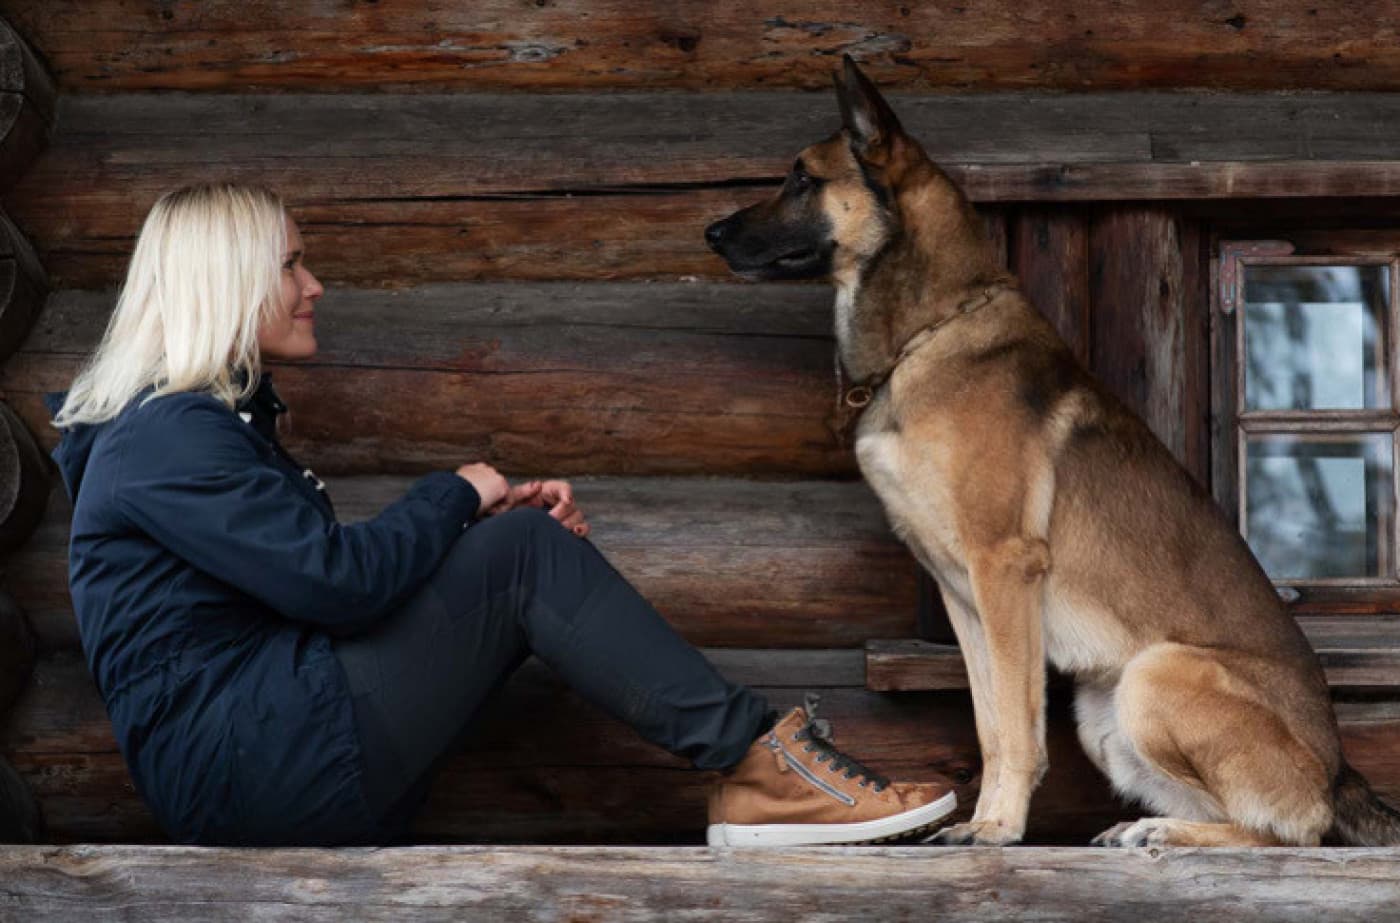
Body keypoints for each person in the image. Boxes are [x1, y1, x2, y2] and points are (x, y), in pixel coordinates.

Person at [44, 182, 957, 847]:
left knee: (517, 552)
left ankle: (764, 774)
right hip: (250, 770)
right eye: (289, 264)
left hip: (265, 753)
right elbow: (333, 583)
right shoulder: (164, 439)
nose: (313, 283)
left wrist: (477, 539)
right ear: (228, 282)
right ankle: (764, 775)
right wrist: (459, 494)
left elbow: (309, 589)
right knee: (521, 551)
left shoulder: (183, 434)